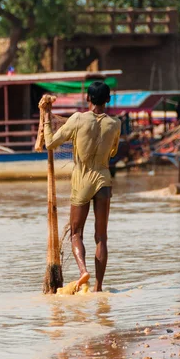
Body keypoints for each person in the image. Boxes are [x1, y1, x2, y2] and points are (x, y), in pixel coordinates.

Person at [43, 81, 121, 292]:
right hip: (104, 180)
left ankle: (83, 271)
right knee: (101, 237)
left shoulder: (77, 119)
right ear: (108, 100)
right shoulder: (116, 124)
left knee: (76, 233)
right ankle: (98, 287)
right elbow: (113, 152)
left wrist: (46, 120)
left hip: (82, 179)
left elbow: (49, 143)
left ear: (88, 99)